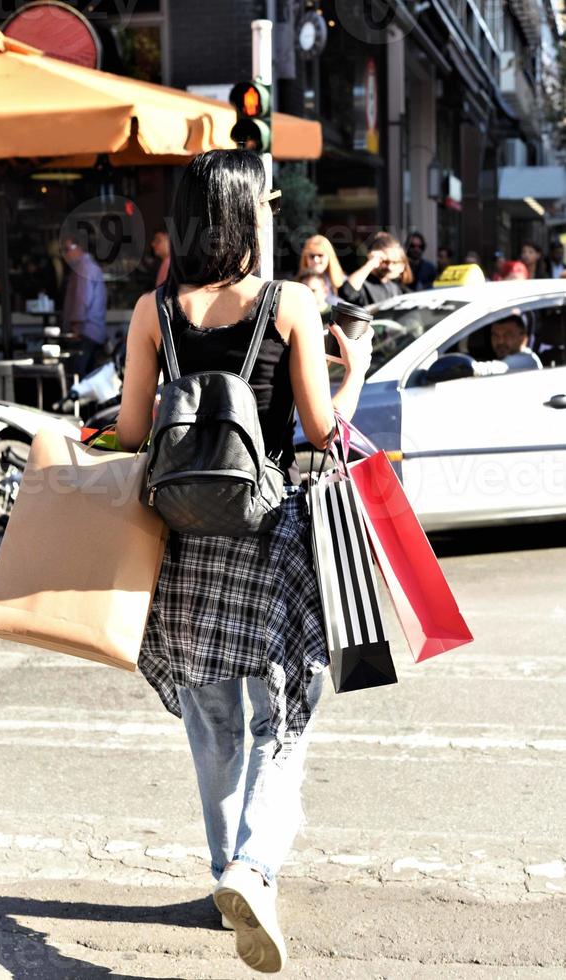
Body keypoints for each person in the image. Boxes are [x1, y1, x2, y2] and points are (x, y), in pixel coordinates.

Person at [116, 149, 372, 975]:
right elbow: (324, 432)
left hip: (184, 538)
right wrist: (354, 371)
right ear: (240, 217)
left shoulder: (154, 309)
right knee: (285, 716)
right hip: (268, 532)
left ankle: (227, 867)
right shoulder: (289, 302)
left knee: (213, 720)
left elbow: (128, 436)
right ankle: (251, 869)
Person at [61, 236, 108, 378]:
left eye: (67, 249)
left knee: (78, 377)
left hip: (85, 331)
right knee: (87, 376)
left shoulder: (84, 268)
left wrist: (75, 327)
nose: (65, 254)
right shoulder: (87, 267)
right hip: (91, 331)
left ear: (79, 248)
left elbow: (82, 300)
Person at [338, 231, 413, 306]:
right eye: (385, 261)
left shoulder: (396, 288)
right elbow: (347, 291)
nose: (390, 267)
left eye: (395, 262)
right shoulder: (363, 284)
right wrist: (370, 264)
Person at [472, 313, 542, 376]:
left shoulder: (526, 360)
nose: (500, 341)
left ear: (523, 338)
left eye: (508, 334)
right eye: (495, 335)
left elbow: (495, 368)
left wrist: (467, 366)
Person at [297, 234, 345, 304]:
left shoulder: (342, 282)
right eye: (312, 256)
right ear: (305, 258)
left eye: (320, 255)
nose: (316, 260)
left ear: (329, 256)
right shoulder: (298, 282)